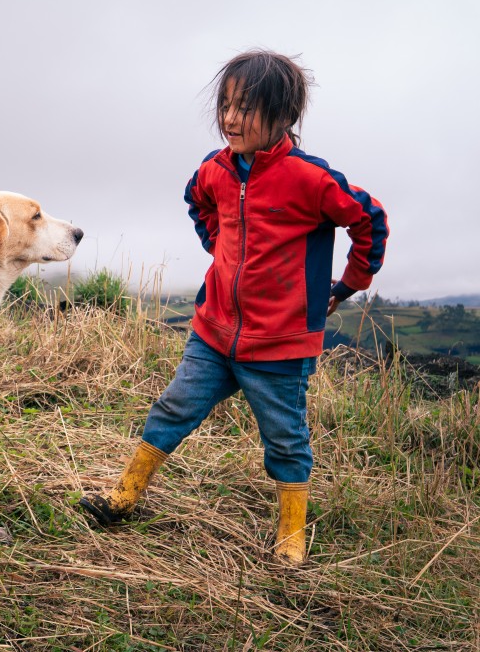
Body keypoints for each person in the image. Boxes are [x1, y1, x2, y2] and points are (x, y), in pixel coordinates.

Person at [79, 50, 389, 565]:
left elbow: (369, 220)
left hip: (279, 345)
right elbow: (196, 200)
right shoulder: (216, 170)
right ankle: (124, 495)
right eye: (225, 104)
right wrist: (220, 247)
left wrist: (347, 285)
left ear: (284, 116)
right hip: (214, 332)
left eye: (245, 108)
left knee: (286, 438)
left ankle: (291, 535)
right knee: (173, 407)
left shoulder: (310, 179)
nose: (230, 118)